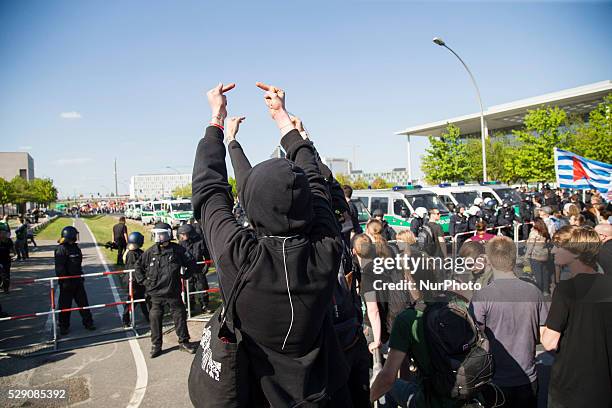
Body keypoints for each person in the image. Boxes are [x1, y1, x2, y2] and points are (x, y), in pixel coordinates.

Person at [190, 82, 350, 405]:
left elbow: (208, 193)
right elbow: (314, 183)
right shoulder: (327, 249)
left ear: (250, 208)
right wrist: (283, 120)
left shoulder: (240, 260)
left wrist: (217, 120)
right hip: (321, 394)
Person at [470, 236, 548, 407]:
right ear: (514, 258)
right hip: (528, 377)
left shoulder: (482, 296)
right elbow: (543, 334)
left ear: (489, 261)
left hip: (495, 379)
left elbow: (475, 339)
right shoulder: (534, 292)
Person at [541, 226, 612, 408]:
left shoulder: (566, 289)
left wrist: (542, 328)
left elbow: (549, 342)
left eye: (559, 246)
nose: (554, 250)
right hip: (604, 384)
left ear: (575, 252)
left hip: (570, 385)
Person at [134, 222, 198, 357]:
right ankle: (156, 345)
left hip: (173, 293)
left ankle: (184, 342)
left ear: (168, 235)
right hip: (155, 295)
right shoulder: (151, 252)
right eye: (156, 234)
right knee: (155, 319)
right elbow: (138, 266)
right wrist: (145, 282)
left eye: (161, 234)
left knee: (180, 317)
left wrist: (186, 275)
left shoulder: (178, 250)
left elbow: (191, 262)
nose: (158, 237)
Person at [55, 226, 95, 335]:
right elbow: (59, 268)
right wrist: (65, 281)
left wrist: (80, 275)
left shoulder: (76, 248)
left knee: (83, 303)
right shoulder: (61, 249)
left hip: (77, 281)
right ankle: (63, 326)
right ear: (70, 236)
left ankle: (88, 322)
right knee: (65, 306)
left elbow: (78, 264)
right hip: (66, 283)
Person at [177, 223, 211, 313]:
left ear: (190, 234)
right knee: (189, 288)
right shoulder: (181, 244)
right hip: (187, 270)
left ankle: (204, 305)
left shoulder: (200, 242)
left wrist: (207, 265)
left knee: (202, 287)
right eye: (181, 235)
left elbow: (207, 254)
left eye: (183, 235)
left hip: (199, 269)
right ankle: (190, 307)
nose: (182, 237)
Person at [121, 231, 149, 327]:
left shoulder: (138, 252)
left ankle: (148, 317)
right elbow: (134, 268)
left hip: (139, 281)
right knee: (131, 300)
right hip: (133, 281)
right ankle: (125, 319)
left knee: (143, 300)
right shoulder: (131, 254)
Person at [525, 217, 552, 295]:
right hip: (545, 255)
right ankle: (546, 290)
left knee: (537, 275)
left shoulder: (534, 232)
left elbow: (531, 245)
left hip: (535, 256)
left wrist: (527, 255)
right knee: (545, 274)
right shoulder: (545, 232)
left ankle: (539, 291)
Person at [0, 223, 14, 293]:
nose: (4, 233)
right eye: (2, 232)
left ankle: (6, 288)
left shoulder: (8, 240)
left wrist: (13, 254)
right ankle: (3, 285)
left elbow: (12, 250)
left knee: (6, 274)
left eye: (4, 232)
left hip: (6, 260)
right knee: (2, 274)